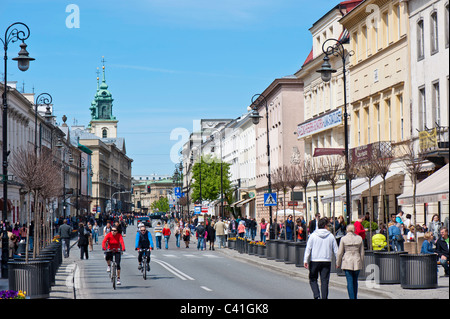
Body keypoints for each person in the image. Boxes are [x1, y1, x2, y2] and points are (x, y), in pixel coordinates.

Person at [304, 217, 339, 299]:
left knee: (313, 279)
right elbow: (336, 250)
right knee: (324, 281)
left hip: (315, 260)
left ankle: (317, 296)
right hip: (326, 260)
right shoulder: (330, 236)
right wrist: (338, 261)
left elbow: (308, 248)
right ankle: (324, 297)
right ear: (326, 226)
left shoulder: (313, 235)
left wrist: (305, 260)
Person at [336, 224, 365, 299]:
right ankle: (355, 297)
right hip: (357, 260)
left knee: (349, 282)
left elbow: (340, 252)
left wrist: (338, 263)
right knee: (355, 281)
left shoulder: (343, 239)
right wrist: (361, 263)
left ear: (347, 230)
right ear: (354, 230)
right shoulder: (359, 238)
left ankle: (352, 298)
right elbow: (362, 252)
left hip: (347, 261)